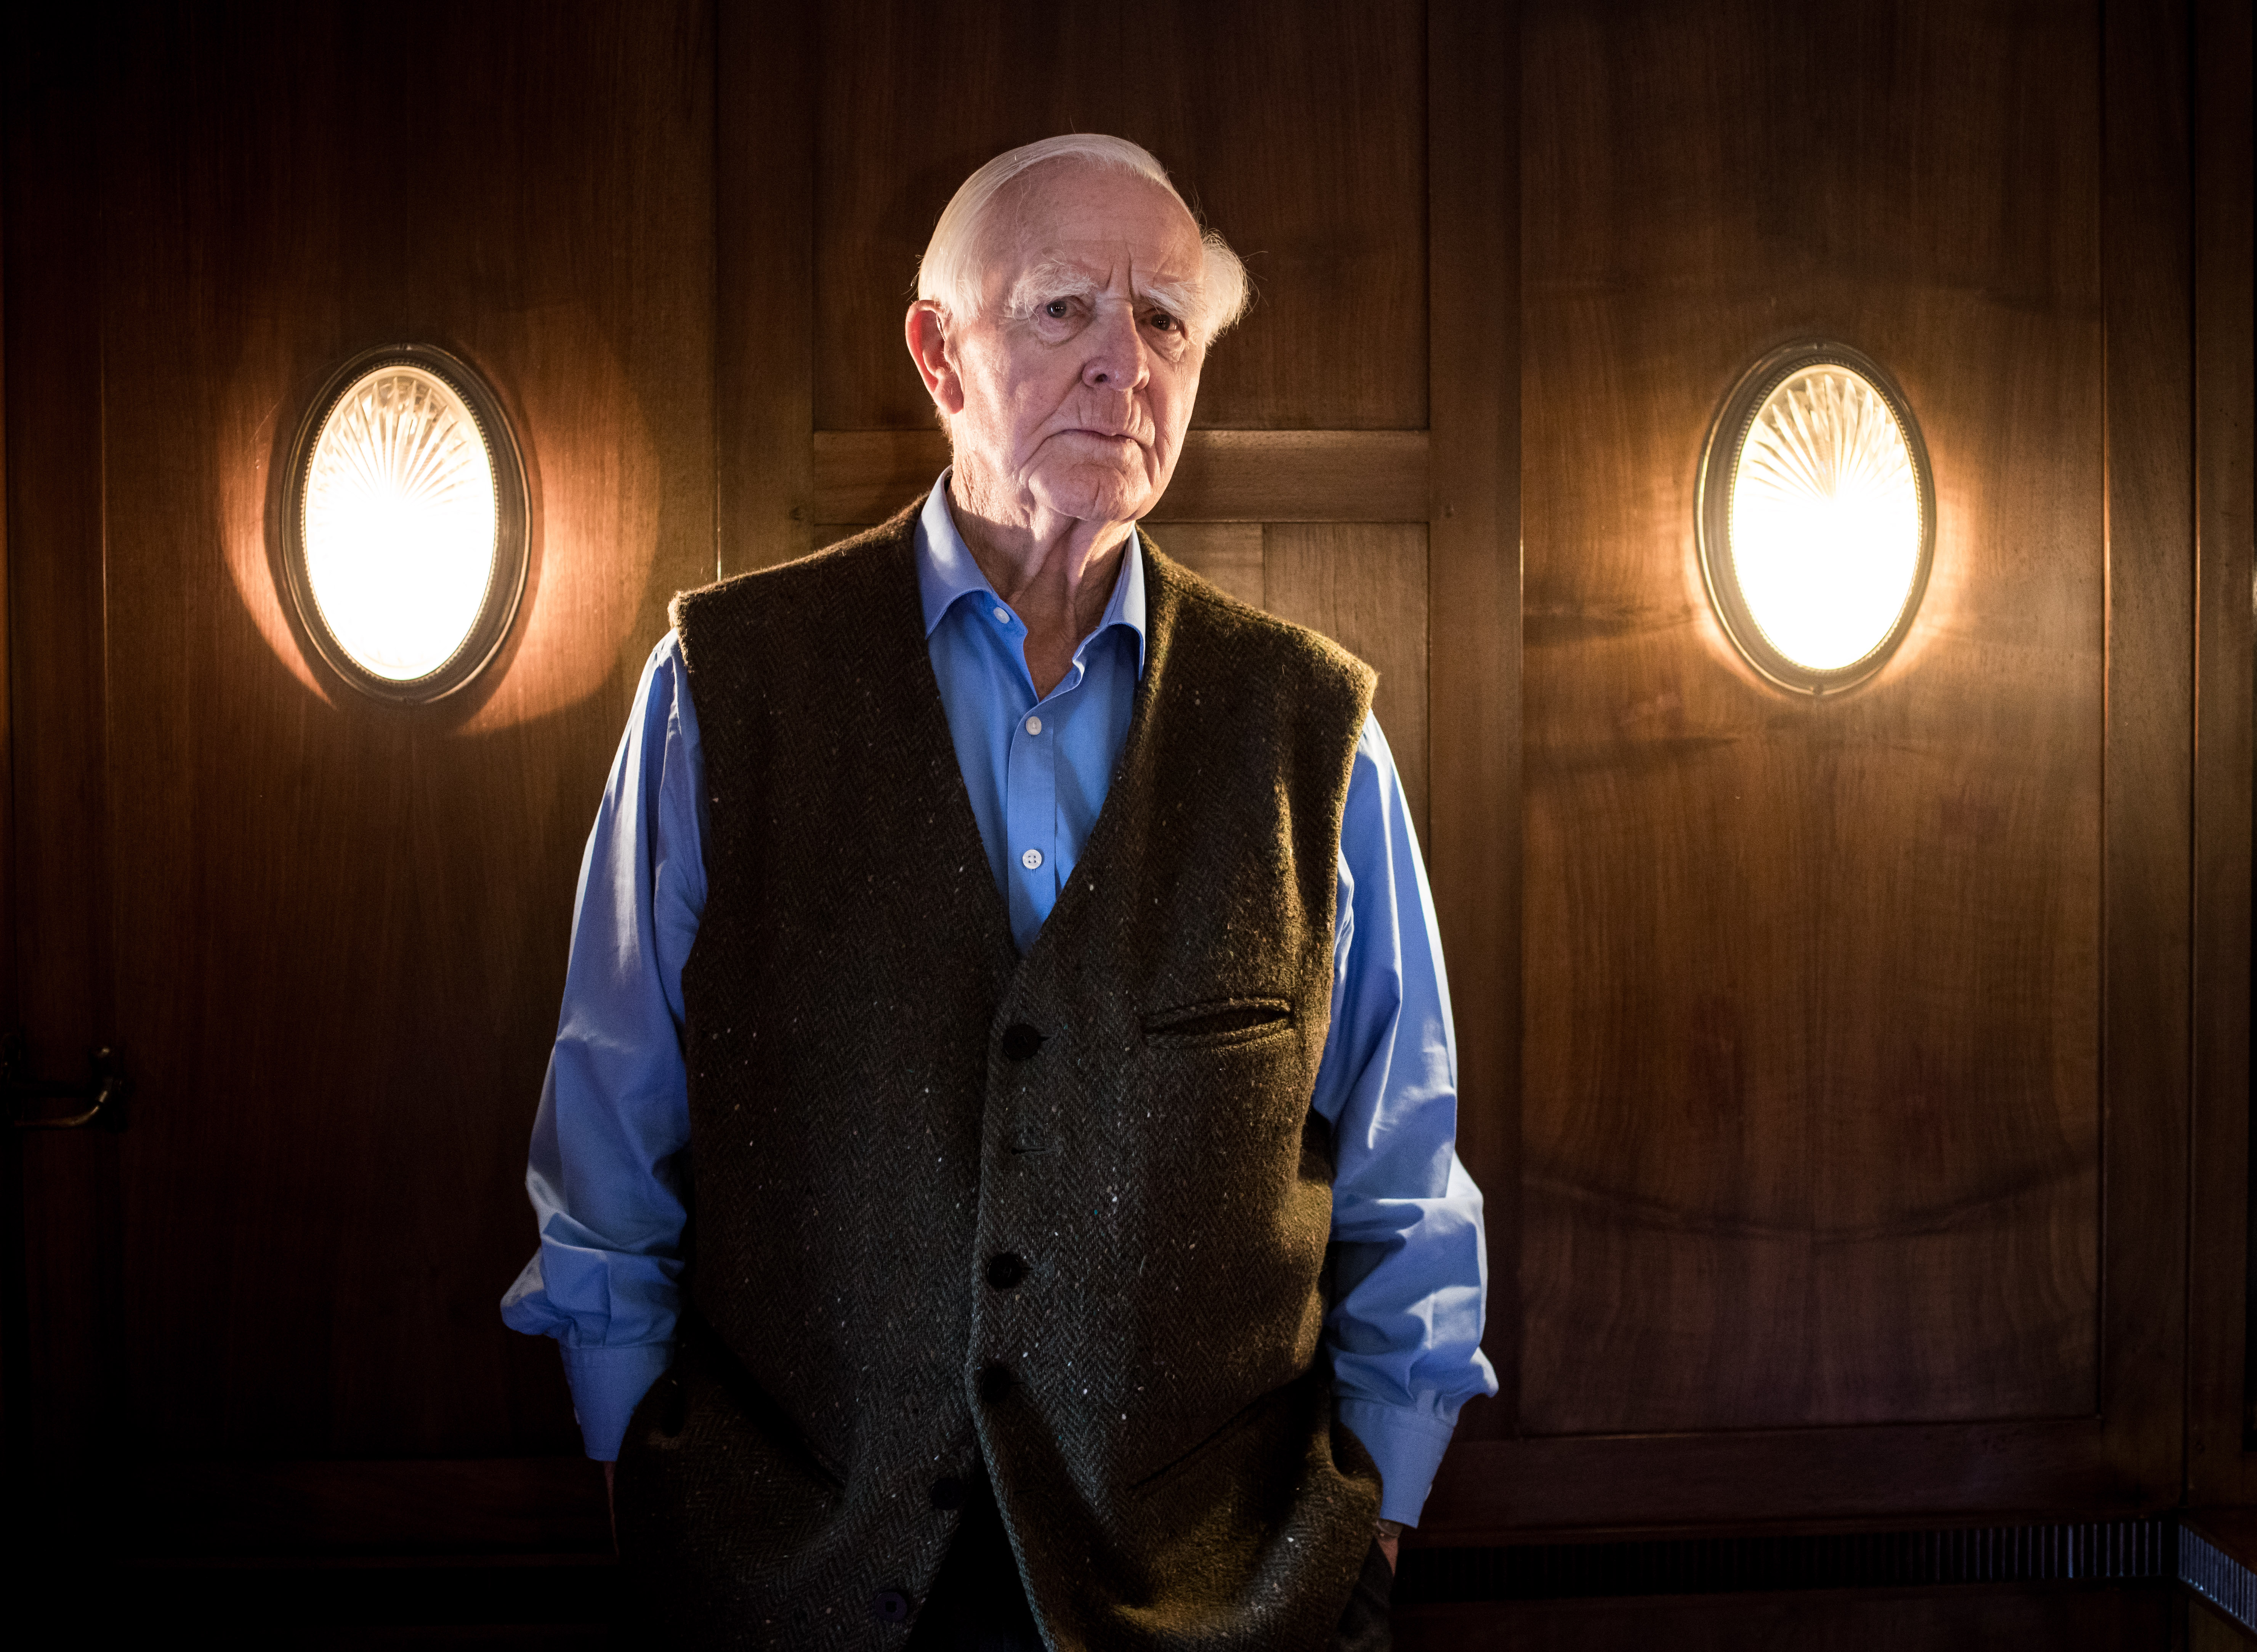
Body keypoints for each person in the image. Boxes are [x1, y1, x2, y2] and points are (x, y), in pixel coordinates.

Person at [502, 133, 1495, 1651]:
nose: (1123, 362)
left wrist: (1378, 1531)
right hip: (786, 1584)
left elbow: (1404, 1176)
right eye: (1061, 308)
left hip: (1221, 1603)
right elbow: (610, 1124)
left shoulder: (1315, 737)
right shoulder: (720, 696)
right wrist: (642, 1483)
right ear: (937, 355)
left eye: (1162, 319)